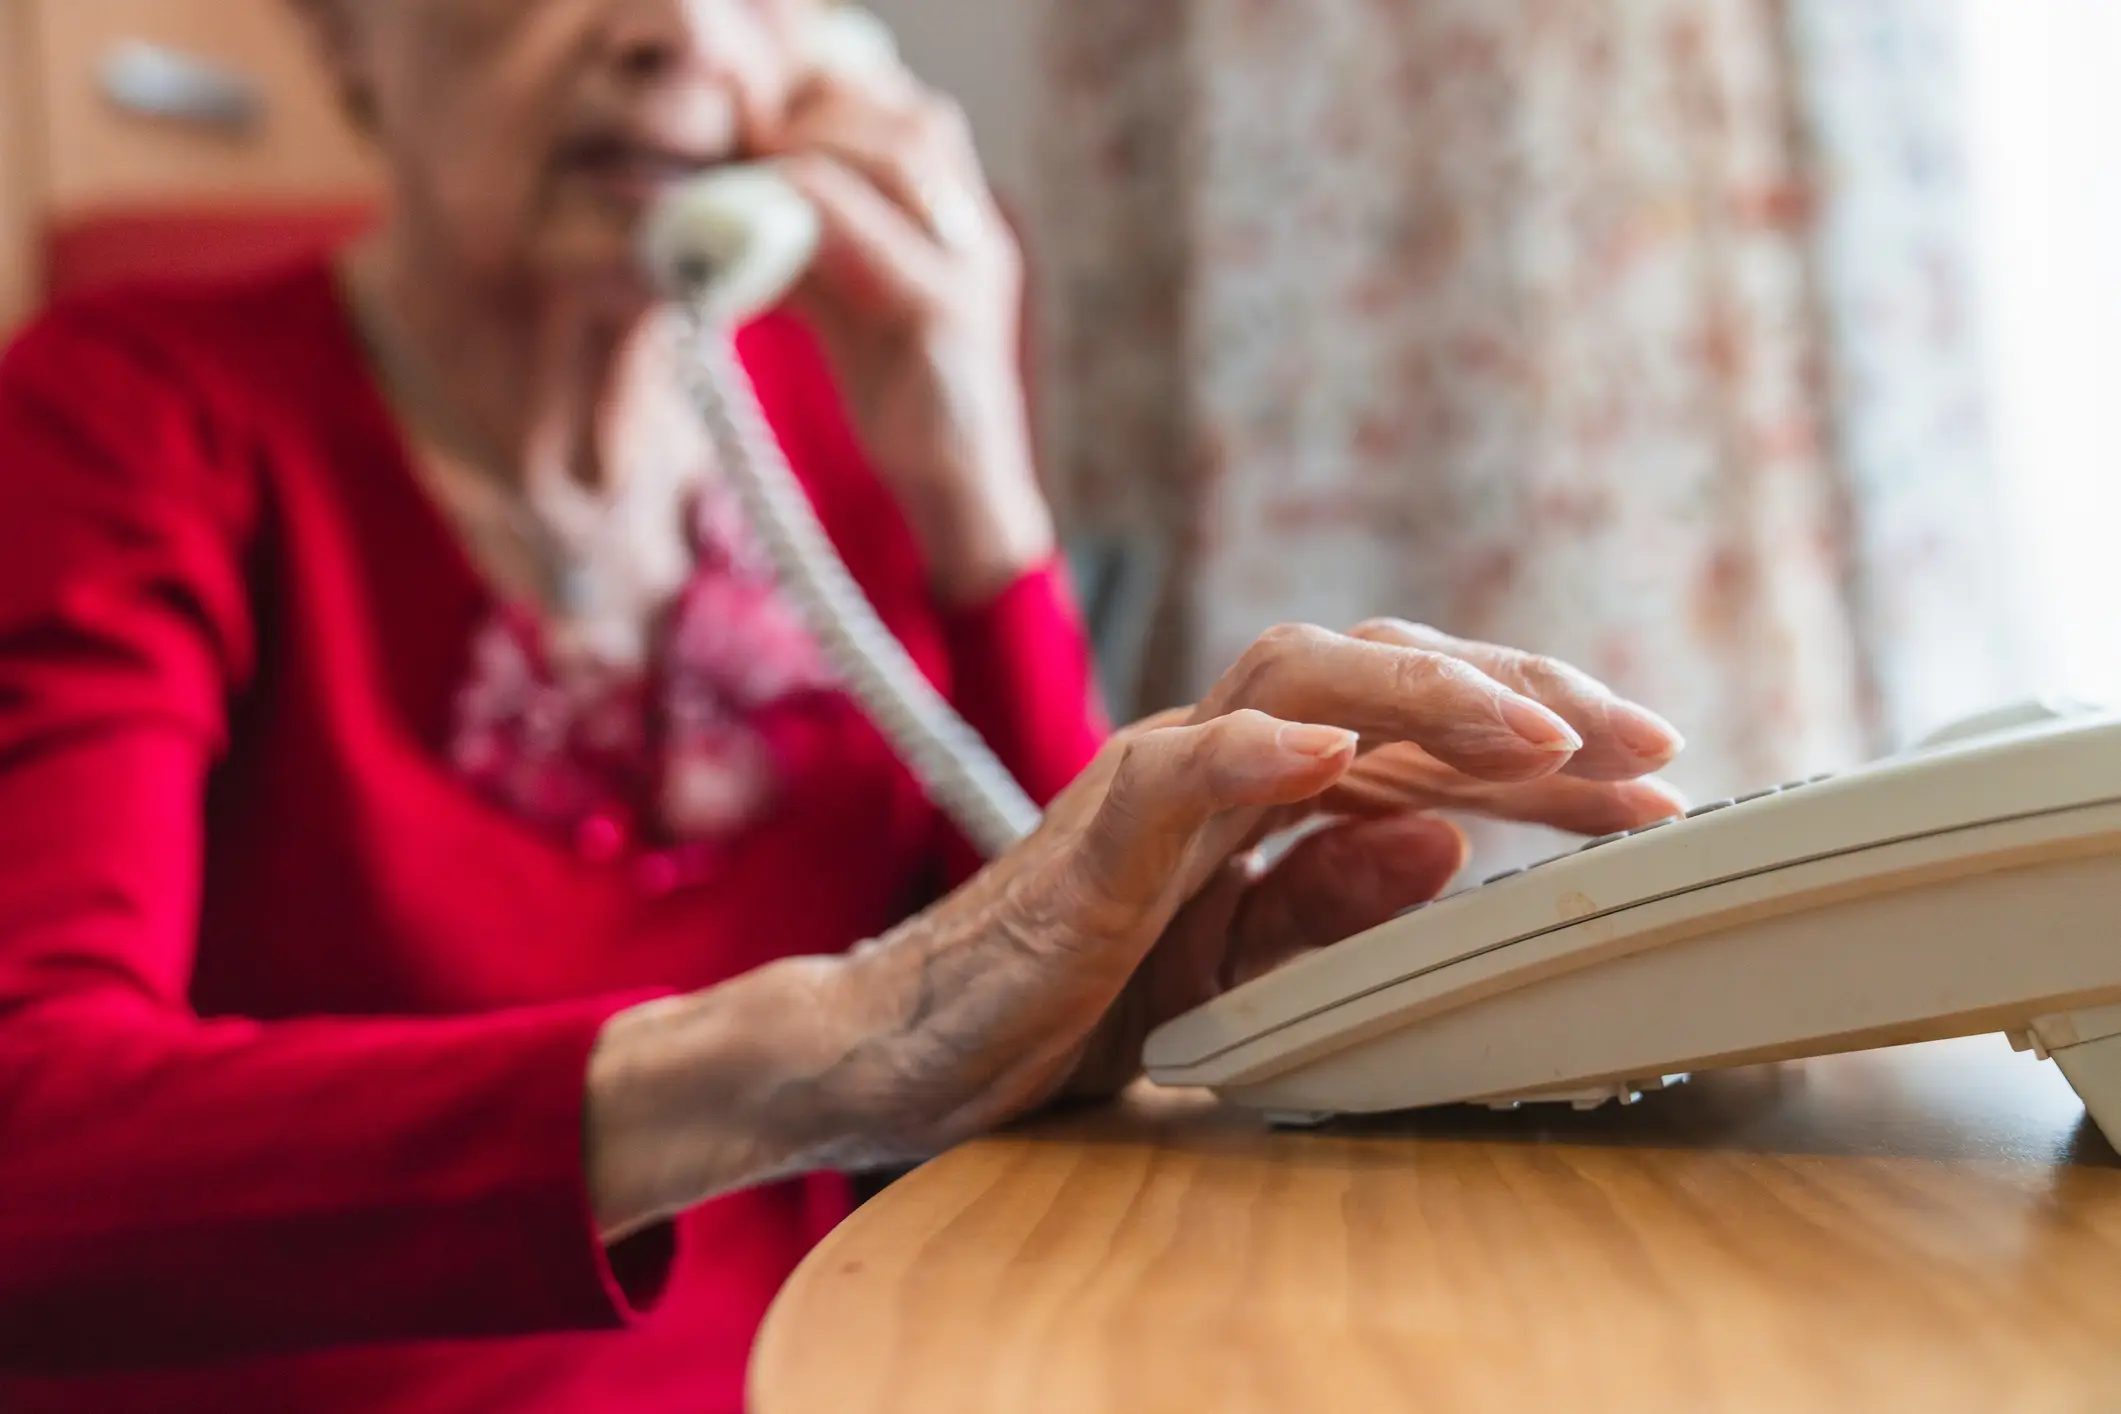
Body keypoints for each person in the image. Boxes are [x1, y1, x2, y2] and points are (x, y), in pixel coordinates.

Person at [0, 1, 1687, 1409]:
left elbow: (1039, 983)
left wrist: (976, 485)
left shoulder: (826, 410)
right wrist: (832, 1042)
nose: (672, 34)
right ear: (341, 33)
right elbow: (35, 1152)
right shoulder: (122, 421)